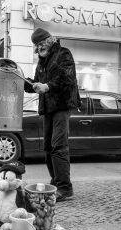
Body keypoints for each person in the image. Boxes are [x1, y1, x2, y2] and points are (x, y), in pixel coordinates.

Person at [24, 28, 80, 202]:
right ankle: (56, 182)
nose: (39, 47)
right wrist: (24, 82)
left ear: (49, 41)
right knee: (48, 147)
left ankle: (65, 188)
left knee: (58, 146)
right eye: (36, 45)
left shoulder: (64, 53)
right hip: (47, 107)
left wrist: (47, 86)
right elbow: (36, 84)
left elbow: (67, 78)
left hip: (62, 105)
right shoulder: (41, 61)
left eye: (41, 43)